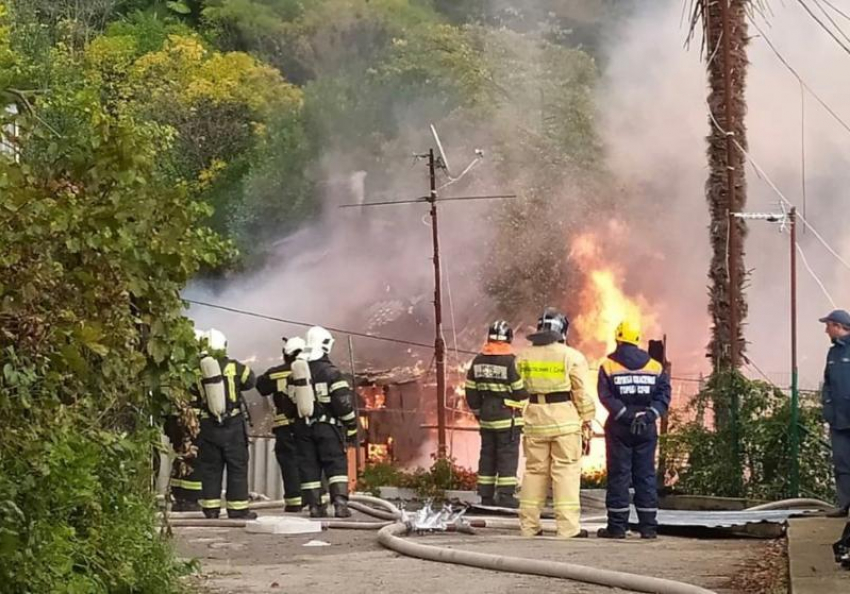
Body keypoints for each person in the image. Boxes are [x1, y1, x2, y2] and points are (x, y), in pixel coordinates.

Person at [517, 307, 596, 538]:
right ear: (562, 330)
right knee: (566, 472)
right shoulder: (571, 356)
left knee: (534, 472)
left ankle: (529, 527)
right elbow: (580, 392)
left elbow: (519, 389)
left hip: (534, 420)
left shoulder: (524, 356)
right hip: (565, 422)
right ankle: (568, 529)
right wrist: (587, 418)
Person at [597, 320, 671, 539]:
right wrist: (648, 416)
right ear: (637, 340)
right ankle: (648, 527)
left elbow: (605, 396)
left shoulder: (608, 365)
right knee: (645, 475)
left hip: (620, 427)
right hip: (646, 428)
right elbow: (663, 396)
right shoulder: (654, 366)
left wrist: (626, 415)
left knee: (619, 475)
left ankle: (617, 527)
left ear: (618, 339)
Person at [293, 326, 359, 518]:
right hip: (328, 428)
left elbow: (288, 404)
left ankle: (315, 506)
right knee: (335, 464)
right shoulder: (332, 373)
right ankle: (340, 505)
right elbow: (343, 405)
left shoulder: (296, 373)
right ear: (325, 345)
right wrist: (352, 427)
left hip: (303, 429)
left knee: (309, 466)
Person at [193, 329, 258, 519]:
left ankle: (211, 510)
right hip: (233, 424)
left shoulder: (197, 370)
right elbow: (251, 381)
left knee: (210, 468)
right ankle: (237, 510)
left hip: (207, 425)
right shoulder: (235, 367)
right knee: (237, 467)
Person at [465, 320, 529, 508]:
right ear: (508, 338)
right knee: (507, 456)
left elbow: (471, 390)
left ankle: (485, 495)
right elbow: (519, 391)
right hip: (507, 416)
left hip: (487, 416)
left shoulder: (478, 360)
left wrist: (478, 412)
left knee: (487, 455)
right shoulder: (511, 362)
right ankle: (506, 495)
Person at [256, 337, 307, 512]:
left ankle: (294, 503)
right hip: (307, 424)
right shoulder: (312, 371)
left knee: (289, 463)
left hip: (284, 426)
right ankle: (313, 499)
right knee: (310, 461)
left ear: (285, 354)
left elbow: (260, 386)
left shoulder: (274, 373)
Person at [820, 309, 850, 517]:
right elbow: (828, 383)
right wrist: (828, 406)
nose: (826, 330)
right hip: (838, 420)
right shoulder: (833, 353)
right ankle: (845, 505)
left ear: (838, 327)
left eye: (828, 325)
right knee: (842, 464)